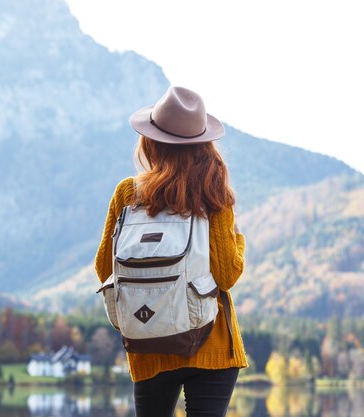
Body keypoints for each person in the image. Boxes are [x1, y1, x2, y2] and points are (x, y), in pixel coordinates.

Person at [94, 86, 248, 417]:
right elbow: (226, 274)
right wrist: (238, 240)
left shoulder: (127, 194)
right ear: (203, 144)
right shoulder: (214, 194)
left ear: (150, 141)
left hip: (149, 339)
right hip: (212, 343)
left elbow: (104, 268)